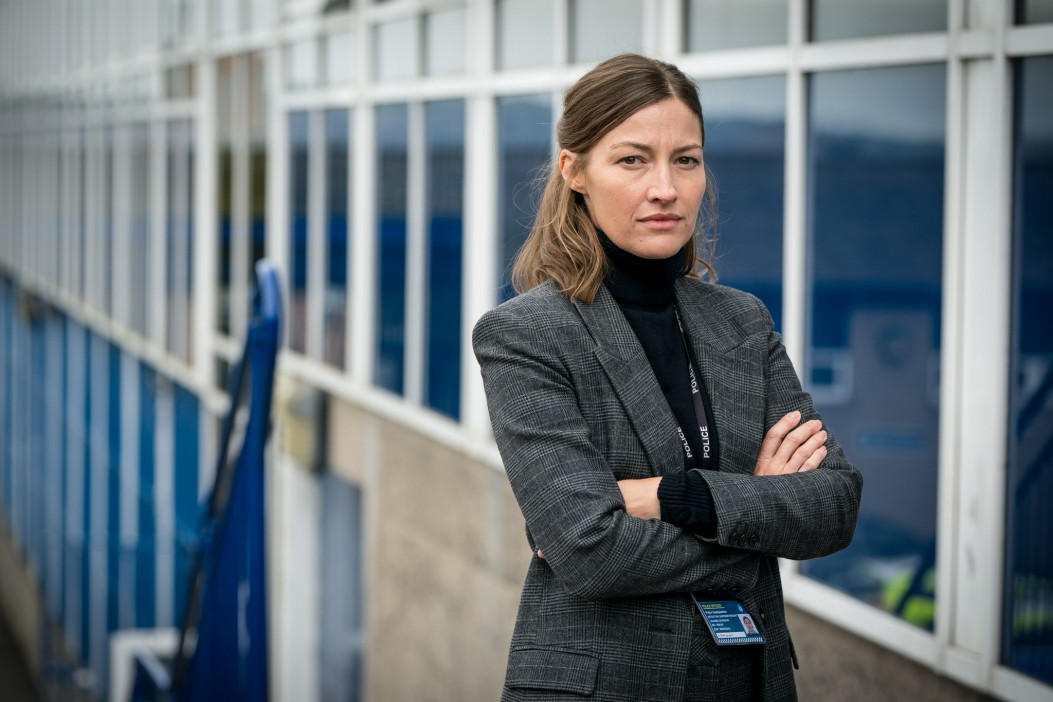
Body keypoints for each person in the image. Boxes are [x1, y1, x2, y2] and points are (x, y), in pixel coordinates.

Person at [472, 53, 862, 702]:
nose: (665, 187)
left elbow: (833, 505)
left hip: (746, 684)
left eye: (685, 159)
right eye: (632, 160)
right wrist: (752, 515)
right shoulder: (526, 336)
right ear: (575, 171)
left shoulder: (740, 321)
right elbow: (588, 548)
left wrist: (675, 497)